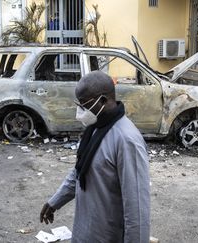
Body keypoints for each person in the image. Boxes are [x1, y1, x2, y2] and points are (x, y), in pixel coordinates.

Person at [40, 71, 150, 243]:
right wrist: (56, 200)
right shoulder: (96, 128)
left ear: (104, 100)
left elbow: (137, 211)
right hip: (85, 231)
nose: (80, 111)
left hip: (107, 235)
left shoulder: (126, 140)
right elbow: (80, 171)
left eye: (84, 105)